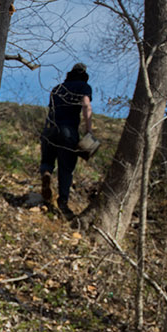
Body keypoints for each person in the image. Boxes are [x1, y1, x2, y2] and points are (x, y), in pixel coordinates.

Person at [40, 63, 95, 218]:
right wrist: (89, 130)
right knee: (66, 167)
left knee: (47, 160)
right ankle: (62, 201)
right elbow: (86, 105)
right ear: (84, 74)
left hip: (49, 130)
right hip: (67, 131)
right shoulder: (84, 87)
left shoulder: (57, 88)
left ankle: (46, 173)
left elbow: (51, 109)